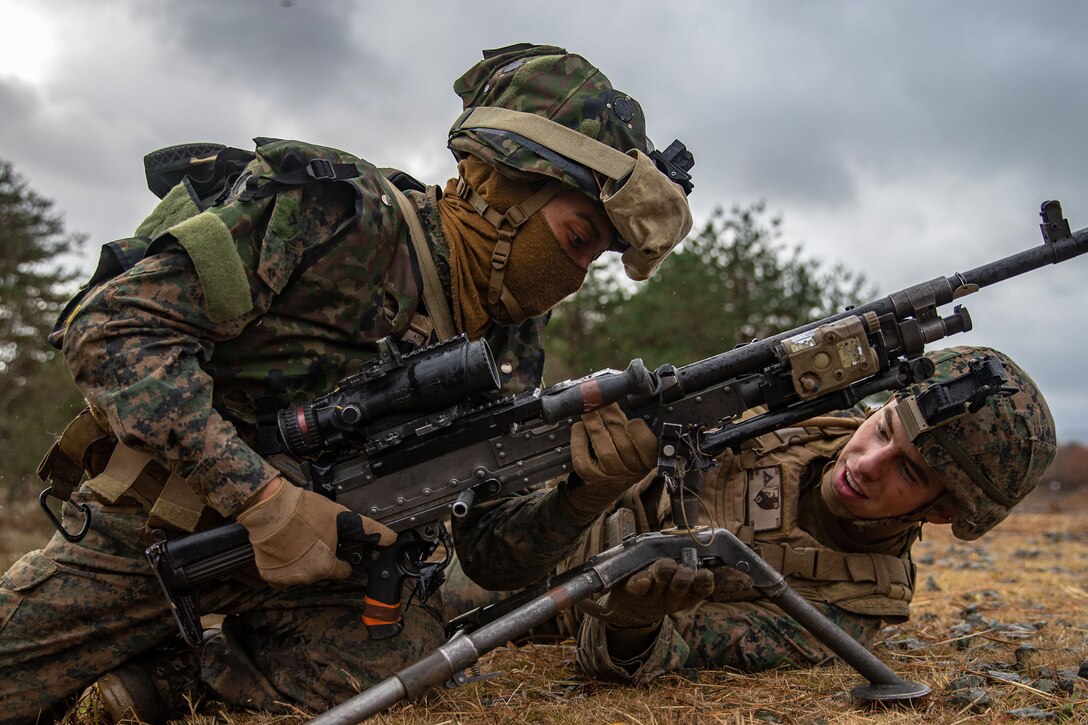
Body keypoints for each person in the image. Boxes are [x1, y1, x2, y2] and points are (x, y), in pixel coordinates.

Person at [0, 42, 693, 723]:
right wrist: (265, 502)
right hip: (156, 538)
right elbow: (111, 329)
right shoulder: (342, 217)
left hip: (319, 581)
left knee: (411, 666)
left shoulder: (511, 342)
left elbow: (485, 549)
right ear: (503, 183)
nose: (573, 278)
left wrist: (584, 494)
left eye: (594, 258)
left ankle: (166, 676)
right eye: (577, 239)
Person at [452, 345, 1057, 682]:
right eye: (884, 429)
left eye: (908, 471)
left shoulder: (845, 611)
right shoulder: (802, 410)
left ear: (947, 510)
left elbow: (654, 653)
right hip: (517, 480)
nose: (868, 461)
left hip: (525, 588)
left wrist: (632, 621)